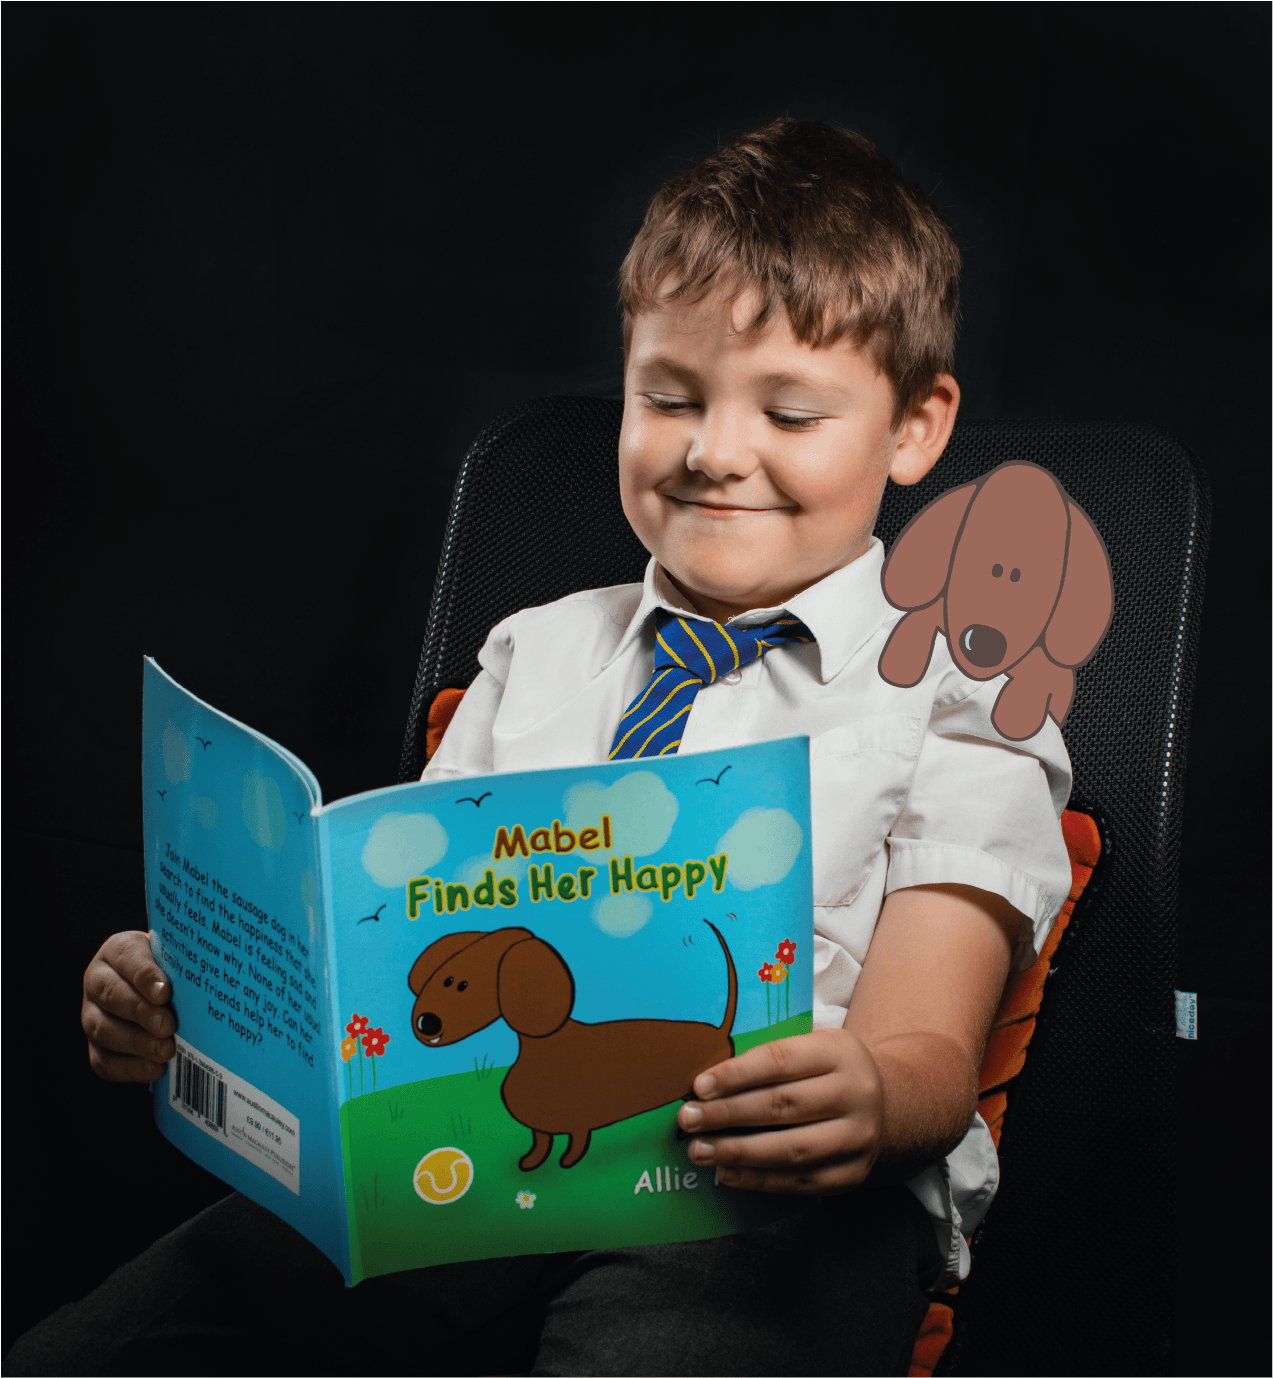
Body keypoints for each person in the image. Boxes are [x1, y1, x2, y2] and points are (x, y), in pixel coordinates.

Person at [13, 118, 1070, 1378]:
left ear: (913, 427)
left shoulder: (961, 691)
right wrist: (203, 1004)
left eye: (790, 411)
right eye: (666, 396)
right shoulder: (537, 650)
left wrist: (870, 1097)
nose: (712, 450)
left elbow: (930, 1053)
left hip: (763, 1198)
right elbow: (400, 955)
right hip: (483, 1159)